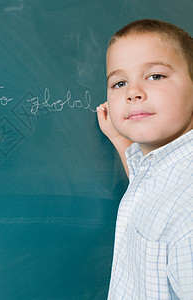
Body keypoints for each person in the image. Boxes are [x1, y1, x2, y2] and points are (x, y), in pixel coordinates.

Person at [97, 19, 193, 299]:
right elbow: (153, 190)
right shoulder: (161, 171)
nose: (132, 92)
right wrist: (120, 139)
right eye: (119, 83)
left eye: (156, 76)